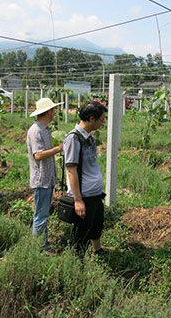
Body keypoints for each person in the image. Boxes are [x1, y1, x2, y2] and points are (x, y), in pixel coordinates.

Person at [63, 100, 107, 257]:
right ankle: (76, 262)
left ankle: (97, 250)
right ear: (91, 118)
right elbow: (71, 170)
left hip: (94, 193)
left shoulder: (90, 138)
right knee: (82, 231)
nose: (103, 122)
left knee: (97, 224)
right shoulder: (73, 139)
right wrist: (77, 200)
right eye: (102, 119)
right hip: (84, 195)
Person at [26, 97, 63, 250]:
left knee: (43, 214)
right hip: (41, 180)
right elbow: (38, 155)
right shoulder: (36, 131)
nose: (54, 112)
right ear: (48, 112)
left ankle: (43, 243)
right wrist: (59, 148)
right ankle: (39, 248)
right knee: (40, 216)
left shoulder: (44, 129)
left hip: (47, 178)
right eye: (53, 110)